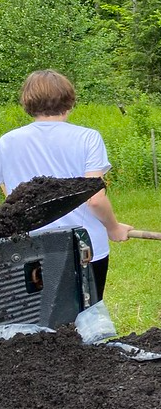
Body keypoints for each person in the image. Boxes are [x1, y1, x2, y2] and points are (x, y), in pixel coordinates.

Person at [0, 70, 132, 301]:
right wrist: (113, 228)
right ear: (69, 100)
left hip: (28, 249)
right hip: (83, 248)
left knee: (38, 318)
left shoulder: (5, 142)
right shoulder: (87, 138)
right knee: (86, 316)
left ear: (27, 102)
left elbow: (10, 195)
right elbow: (95, 199)